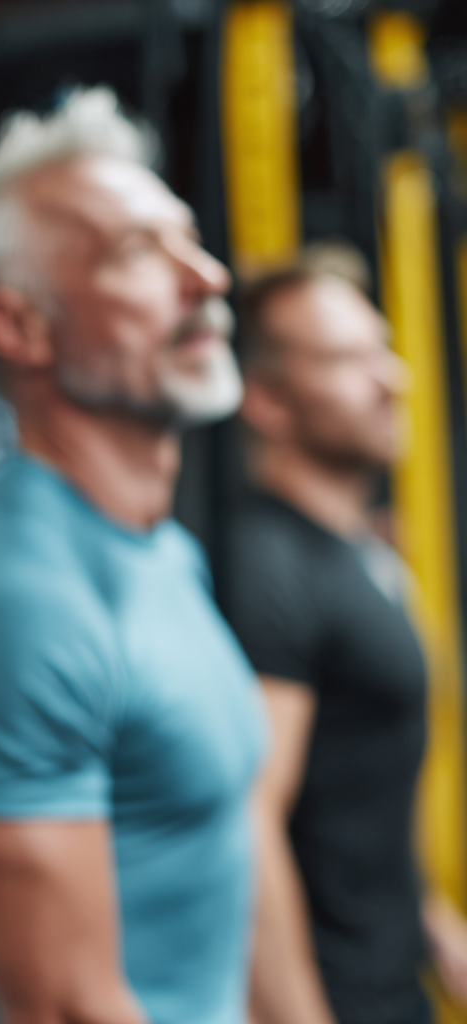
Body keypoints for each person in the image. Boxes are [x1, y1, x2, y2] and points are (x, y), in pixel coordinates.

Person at [0, 88, 265, 1024]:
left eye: (189, 240)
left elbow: (241, 850)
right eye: (141, 252)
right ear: (22, 327)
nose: (209, 278)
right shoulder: (10, 601)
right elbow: (64, 1009)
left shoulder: (162, 552)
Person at [226, 245, 467, 1024]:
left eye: (383, 350)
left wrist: (435, 927)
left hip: (398, 984)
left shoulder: (355, 554)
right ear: (266, 399)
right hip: (340, 1000)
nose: (391, 378)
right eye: (347, 358)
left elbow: (359, 787)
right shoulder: (270, 569)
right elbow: (250, 823)